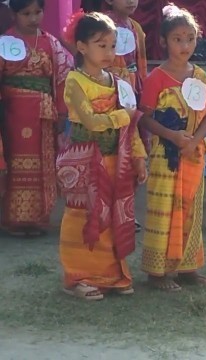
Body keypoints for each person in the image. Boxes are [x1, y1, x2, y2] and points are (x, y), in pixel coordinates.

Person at [58, 11, 147, 300]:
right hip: (85, 157)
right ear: (81, 47)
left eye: (112, 45)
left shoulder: (117, 81)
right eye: (101, 45)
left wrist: (138, 157)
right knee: (82, 214)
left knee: (113, 213)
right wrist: (122, 115)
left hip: (115, 157)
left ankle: (111, 275)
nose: (109, 52)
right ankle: (77, 276)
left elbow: (131, 127)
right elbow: (92, 121)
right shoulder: (74, 81)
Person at [139, 3, 206, 291]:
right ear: (163, 41)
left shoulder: (202, 77)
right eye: (177, 39)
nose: (185, 45)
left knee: (192, 210)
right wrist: (173, 137)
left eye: (190, 38)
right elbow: (145, 118)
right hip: (165, 155)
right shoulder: (156, 78)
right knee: (164, 209)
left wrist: (194, 141)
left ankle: (188, 268)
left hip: (193, 154)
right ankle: (157, 273)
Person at [0, 0, 73, 236]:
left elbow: (62, 79)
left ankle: (39, 218)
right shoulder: (5, 42)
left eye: (38, 12)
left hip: (45, 114)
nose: (33, 18)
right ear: (13, 14)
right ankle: (14, 220)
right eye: (26, 13)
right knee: (15, 164)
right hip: (13, 113)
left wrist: (62, 112)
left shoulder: (51, 43)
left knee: (44, 165)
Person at [103, 0, 149, 232]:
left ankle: (126, 212)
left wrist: (142, 94)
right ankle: (107, 212)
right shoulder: (100, 24)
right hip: (107, 98)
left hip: (131, 96)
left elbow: (140, 67)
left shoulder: (136, 28)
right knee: (110, 154)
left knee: (133, 154)